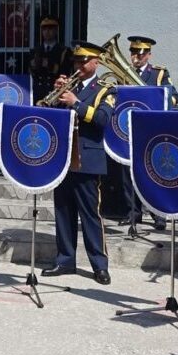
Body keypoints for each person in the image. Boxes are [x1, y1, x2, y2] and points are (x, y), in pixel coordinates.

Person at [42, 40, 116, 284]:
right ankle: (65, 259)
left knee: (90, 214)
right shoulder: (66, 87)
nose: (80, 64)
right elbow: (49, 116)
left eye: (85, 61)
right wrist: (54, 96)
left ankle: (99, 265)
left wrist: (76, 102)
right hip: (63, 156)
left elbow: (103, 120)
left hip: (88, 157)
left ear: (96, 62)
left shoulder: (106, 89)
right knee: (63, 211)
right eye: (77, 60)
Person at [120, 35, 178, 232]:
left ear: (149, 55)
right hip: (130, 128)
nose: (137, 56)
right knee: (128, 172)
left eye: (141, 53)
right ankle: (133, 212)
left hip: (153, 128)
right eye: (133, 52)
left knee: (154, 171)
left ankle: (158, 214)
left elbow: (173, 96)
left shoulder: (159, 73)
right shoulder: (123, 74)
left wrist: (157, 106)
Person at [27, 15, 69, 101]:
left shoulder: (63, 51)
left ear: (56, 31)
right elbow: (29, 73)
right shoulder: (35, 50)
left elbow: (66, 73)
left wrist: (50, 65)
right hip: (37, 93)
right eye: (44, 29)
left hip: (54, 93)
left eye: (50, 29)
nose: (47, 32)